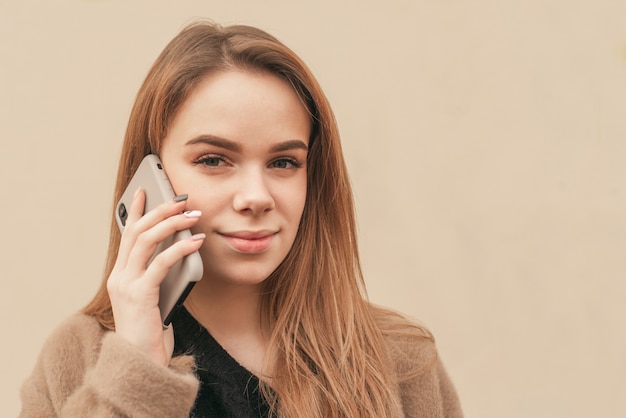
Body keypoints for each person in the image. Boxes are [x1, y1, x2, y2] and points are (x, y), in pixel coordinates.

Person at [19, 21, 463, 418]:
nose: (256, 197)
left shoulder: (401, 360)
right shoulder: (78, 356)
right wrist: (135, 375)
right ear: (150, 178)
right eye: (214, 159)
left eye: (284, 163)